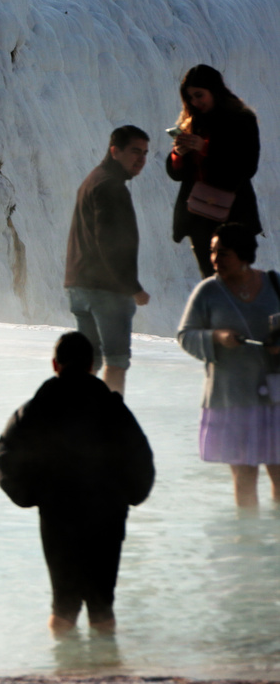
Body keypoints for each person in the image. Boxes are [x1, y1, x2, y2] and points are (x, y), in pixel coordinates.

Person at [0, 331, 155, 636]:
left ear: (55, 364)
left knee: (63, 607)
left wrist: (30, 496)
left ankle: (63, 671)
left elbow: (5, 456)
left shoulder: (35, 409)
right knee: (102, 607)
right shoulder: (113, 408)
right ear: (92, 365)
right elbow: (141, 457)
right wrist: (131, 496)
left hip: (58, 514)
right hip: (108, 515)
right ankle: (106, 671)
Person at [175, 222, 280, 509]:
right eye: (212, 252)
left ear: (243, 254)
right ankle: (246, 546)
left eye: (223, 253)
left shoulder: (275, 284)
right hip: (230, 397)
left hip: (274, 398)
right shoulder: (207, 291)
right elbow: (184, 335)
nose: (214, 260)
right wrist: (216, 338)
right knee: (244, 479)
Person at [64, 126, 152, 395]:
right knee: (116, 361)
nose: (141, 159)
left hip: (78, 285)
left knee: (89, 361)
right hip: (107, 289)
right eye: (135, 151)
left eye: (145, 153)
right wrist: (132, 286)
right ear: (115, 151)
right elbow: (109, 242)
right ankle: (110, 423)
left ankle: (82, 418)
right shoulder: (111, 187)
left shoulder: (92, 180)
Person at [166, 65, 261, 278]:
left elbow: (247, 166)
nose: (195, 102)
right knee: (211, 281)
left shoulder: (241, 119)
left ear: (214, 91)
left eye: (199, 95)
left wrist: (206, 148)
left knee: (235, 279)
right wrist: (178, 154)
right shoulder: (191, 122)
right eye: (190, 97)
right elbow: (176, 174)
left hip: (233, 214)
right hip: (199, 216)